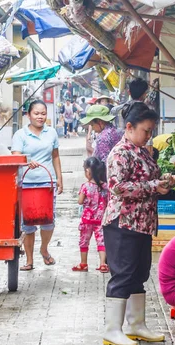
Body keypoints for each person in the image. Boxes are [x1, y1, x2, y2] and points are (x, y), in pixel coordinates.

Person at [102, 102, 175, 345]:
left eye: (151, 130)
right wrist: (154, 186)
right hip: (123, 222)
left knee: (139, 273)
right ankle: (112, 330)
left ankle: (136, 325)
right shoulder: (120, 153)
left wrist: (164, 182)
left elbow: (148, 181)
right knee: (123, 274)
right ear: (130, 127)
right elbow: (118, 188)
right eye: (146, 130)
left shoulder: (142, 150)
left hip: (142, 223)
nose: (149, 135)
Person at [11, 100, 63, 270]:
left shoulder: (52, 133)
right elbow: (16, 157)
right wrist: (27, 161)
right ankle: (29, 260)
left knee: (48, 221)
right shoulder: (20, 135)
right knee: (28, 223)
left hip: (47, 183)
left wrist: (59, 179)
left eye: (43, 113)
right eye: (36, 113)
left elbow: (55, 156)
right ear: (28, 115)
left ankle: (44, 249)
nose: (40, 117)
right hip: (26, 185)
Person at [74, 157, 109, 273]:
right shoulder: (105, 187)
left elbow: (80, 201)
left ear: (88, 172)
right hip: (100, 219)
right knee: (101, 241)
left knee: (84, 241)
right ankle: (103, 264)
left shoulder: (85, 186)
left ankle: (83, 264)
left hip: (87, 220)